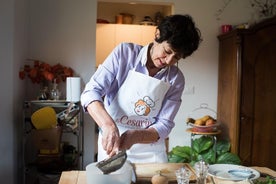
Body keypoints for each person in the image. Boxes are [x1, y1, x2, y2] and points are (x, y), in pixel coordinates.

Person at [81, 14, 202, 163]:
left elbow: (164, 124)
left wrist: (136, 136)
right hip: (113, 143)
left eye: (176, 58)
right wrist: (108, 125)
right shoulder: (124, 54)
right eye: (168, 51)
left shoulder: (176, 79)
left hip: (150, 151)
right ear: (157, 35)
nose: (169, 61)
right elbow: (91, 92)